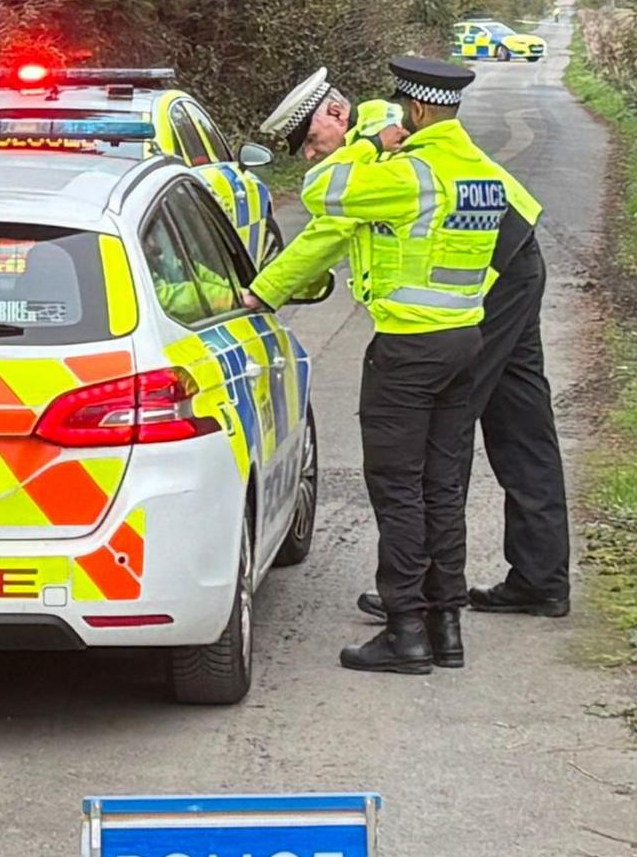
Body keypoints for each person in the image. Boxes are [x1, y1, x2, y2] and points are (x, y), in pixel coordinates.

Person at [244, 57, 509, 675]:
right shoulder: (479, 171)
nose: (311, 155)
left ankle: (404, 630)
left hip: (408, 349)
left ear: (414, 110)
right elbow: (336, 232)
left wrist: (367, 144)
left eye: (313, 140)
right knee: (442, 488)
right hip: (463, 340)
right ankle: (445, 626)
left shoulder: (408, 173)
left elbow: (322, 195)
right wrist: (268, 290)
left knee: (397, 490)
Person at [355, 116, 574, 621]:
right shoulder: (388, 131)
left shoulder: (371, 143)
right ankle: (540, 579)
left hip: (492, 275)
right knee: (520, 422)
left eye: (309, 142)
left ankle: (424, 591)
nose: (308, 155)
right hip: (518, 253)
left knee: (444, 425)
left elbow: (328, 229)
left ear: (335, 116)